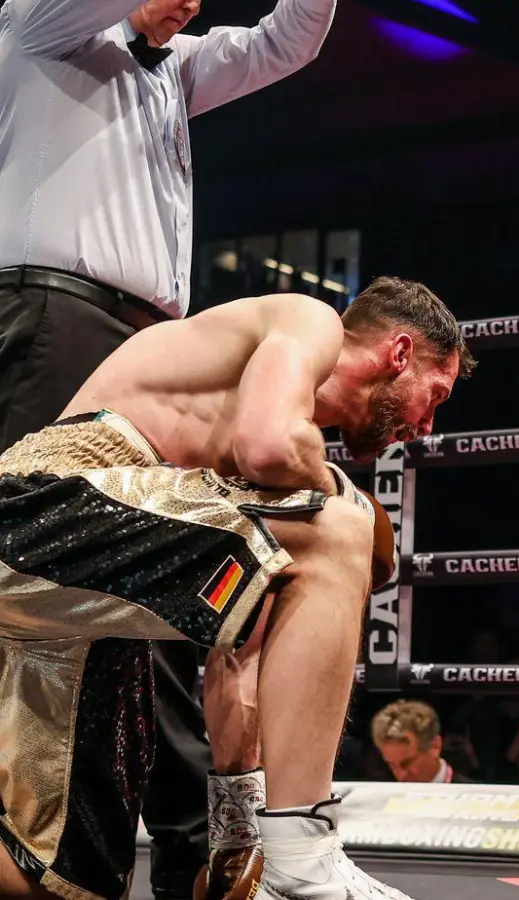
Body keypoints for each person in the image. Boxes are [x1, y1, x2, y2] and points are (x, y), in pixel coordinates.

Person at [0, 0, 338, 894]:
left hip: (151, 348)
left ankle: (195, 853)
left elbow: (290, 39)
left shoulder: (178, 68)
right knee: (65, 580)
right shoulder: (37, 26)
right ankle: (71, 848)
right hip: (55, 317)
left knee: (180, 586)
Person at [0, 277, 471, 900]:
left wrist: (235, 836)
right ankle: (305, 852)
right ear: (399, 351)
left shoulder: (231, 490)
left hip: (82, 589)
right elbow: (269, 446)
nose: (428, 425)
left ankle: (267, 842)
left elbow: (237, 657)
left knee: (64, 884)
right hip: (39, 511)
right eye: (433, 397)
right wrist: (342, 497)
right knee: (337, 532)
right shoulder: (310, 321)